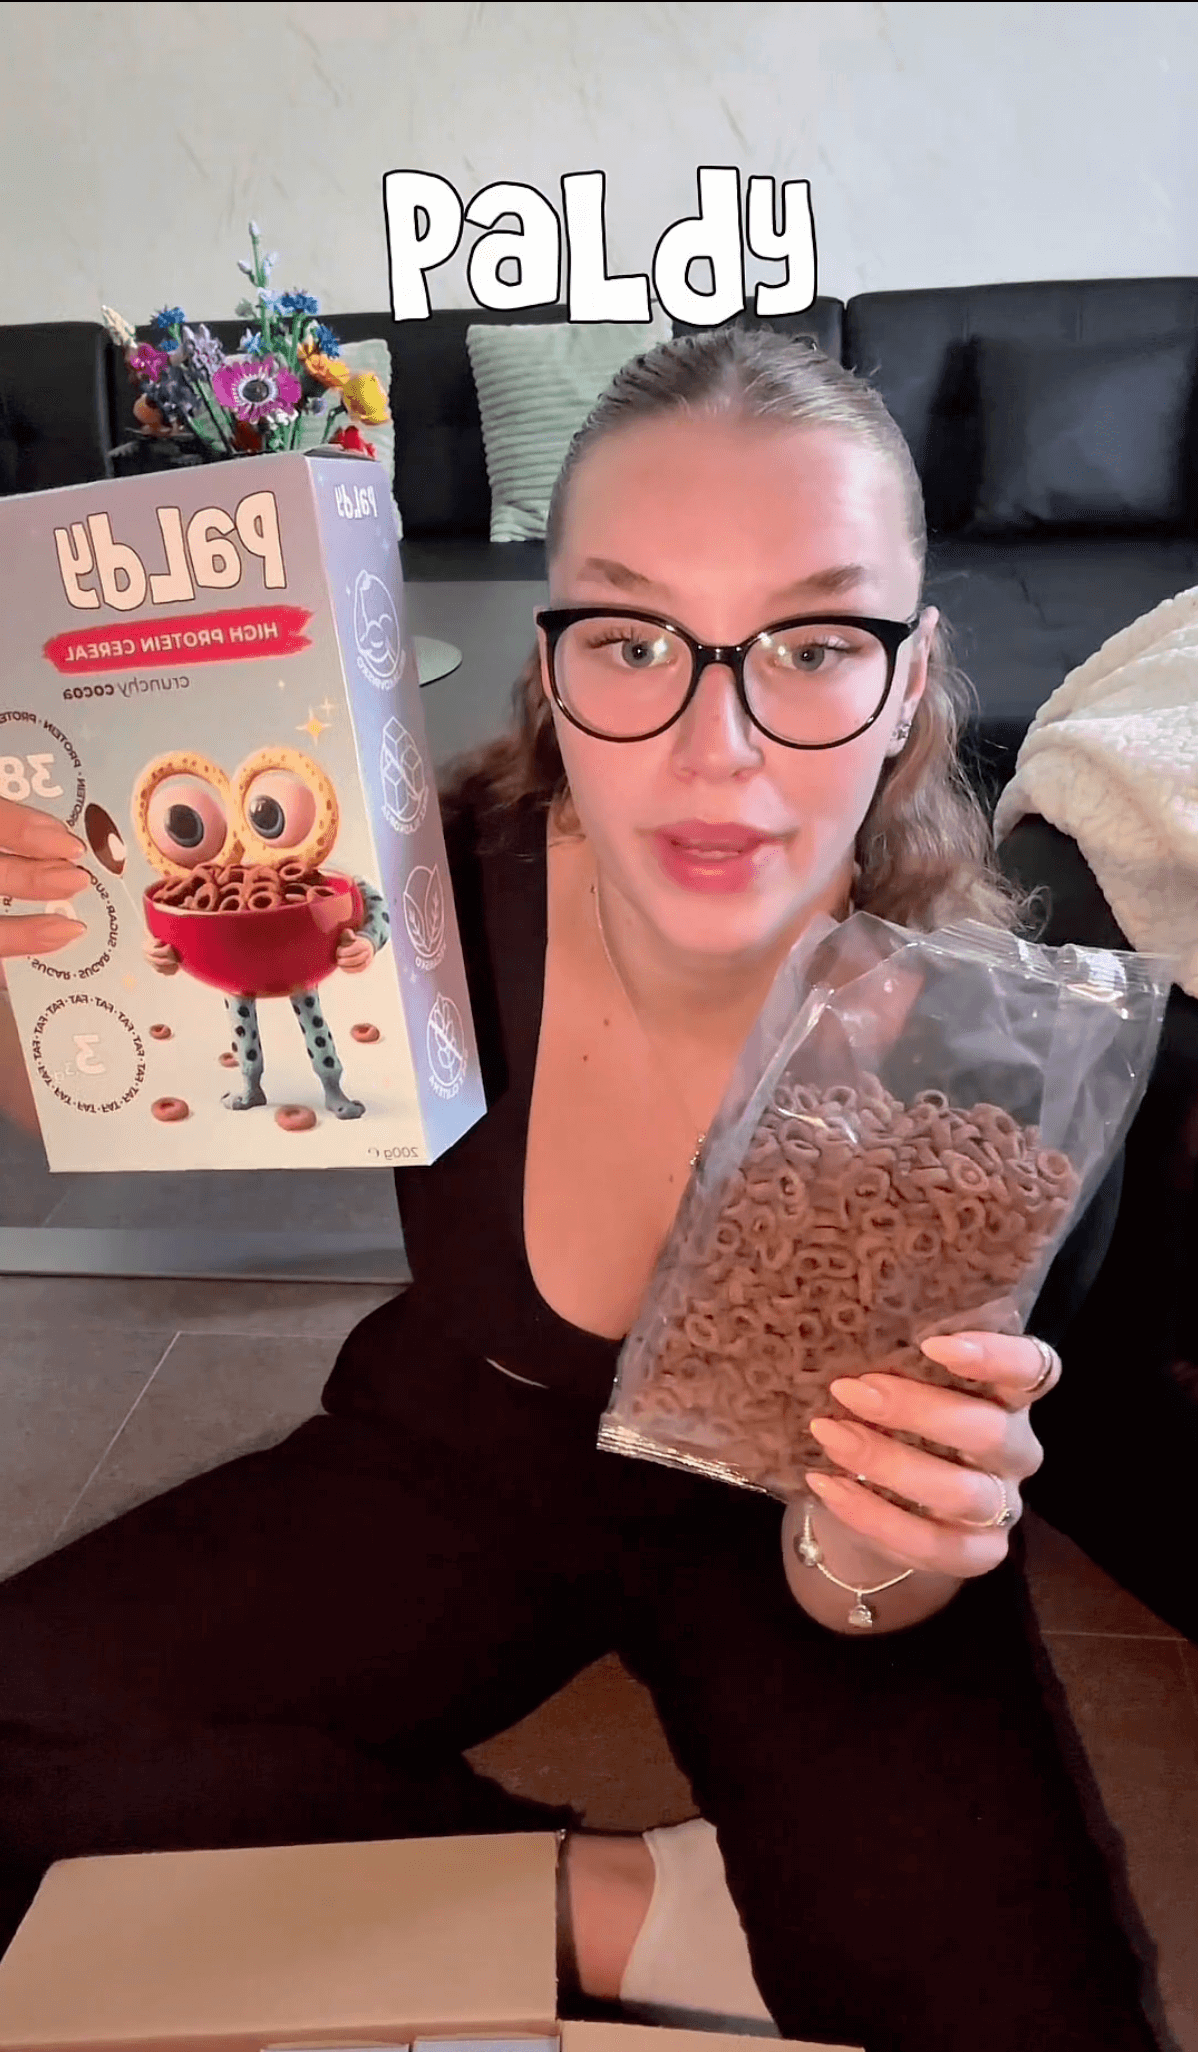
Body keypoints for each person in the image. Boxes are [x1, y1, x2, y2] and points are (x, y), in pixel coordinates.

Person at [0, 329, 1168, 2052]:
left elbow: (870, 1564)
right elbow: (112, 1075)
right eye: (633, 640)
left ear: (907, 680)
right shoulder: (413, 905)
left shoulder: (995, 1067)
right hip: (456, 1453)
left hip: (786, 1528)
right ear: (551, 669)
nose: (717, 746)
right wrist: (51, 967)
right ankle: (629, 1904)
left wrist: (884, 1551)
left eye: (813, 644)